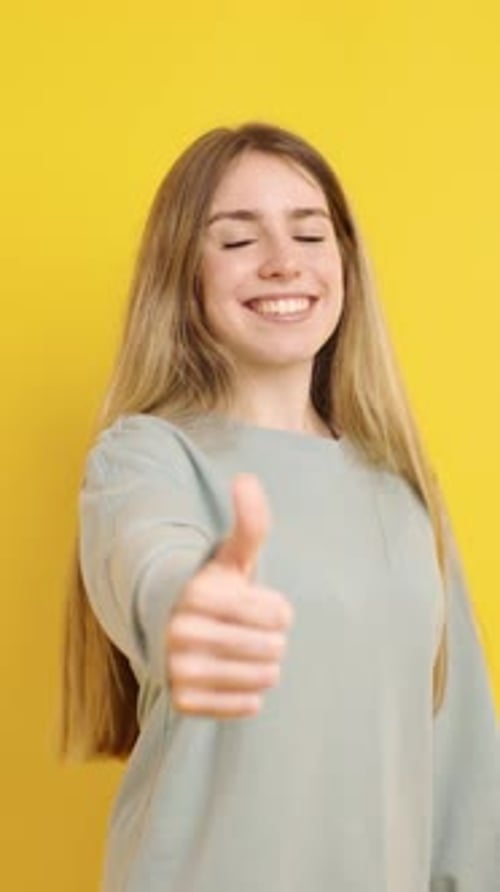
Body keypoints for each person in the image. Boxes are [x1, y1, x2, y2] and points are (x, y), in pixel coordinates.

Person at [60, 123, 498, 892]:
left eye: (310, 233)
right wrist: (184, 604)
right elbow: (148, 560)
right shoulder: (145, 457)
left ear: (346, 263)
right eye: (237, 240)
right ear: (183, 273)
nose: (284, 262)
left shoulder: (402, 486)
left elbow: (464, 767)